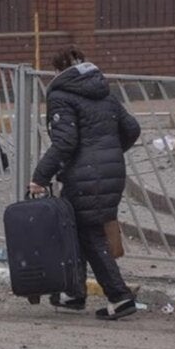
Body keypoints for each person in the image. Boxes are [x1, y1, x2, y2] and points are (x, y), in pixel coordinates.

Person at [29, 46, 141, 321]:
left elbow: (65, 142)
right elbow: (132, 129)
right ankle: (74, 294)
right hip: (109, 172)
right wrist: (109, 154)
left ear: (57, 71)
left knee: (91, 235)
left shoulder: (61, 95)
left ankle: (120, 296)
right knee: (77, 230)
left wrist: (40, 177)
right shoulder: (103, 90)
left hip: (84, 176)